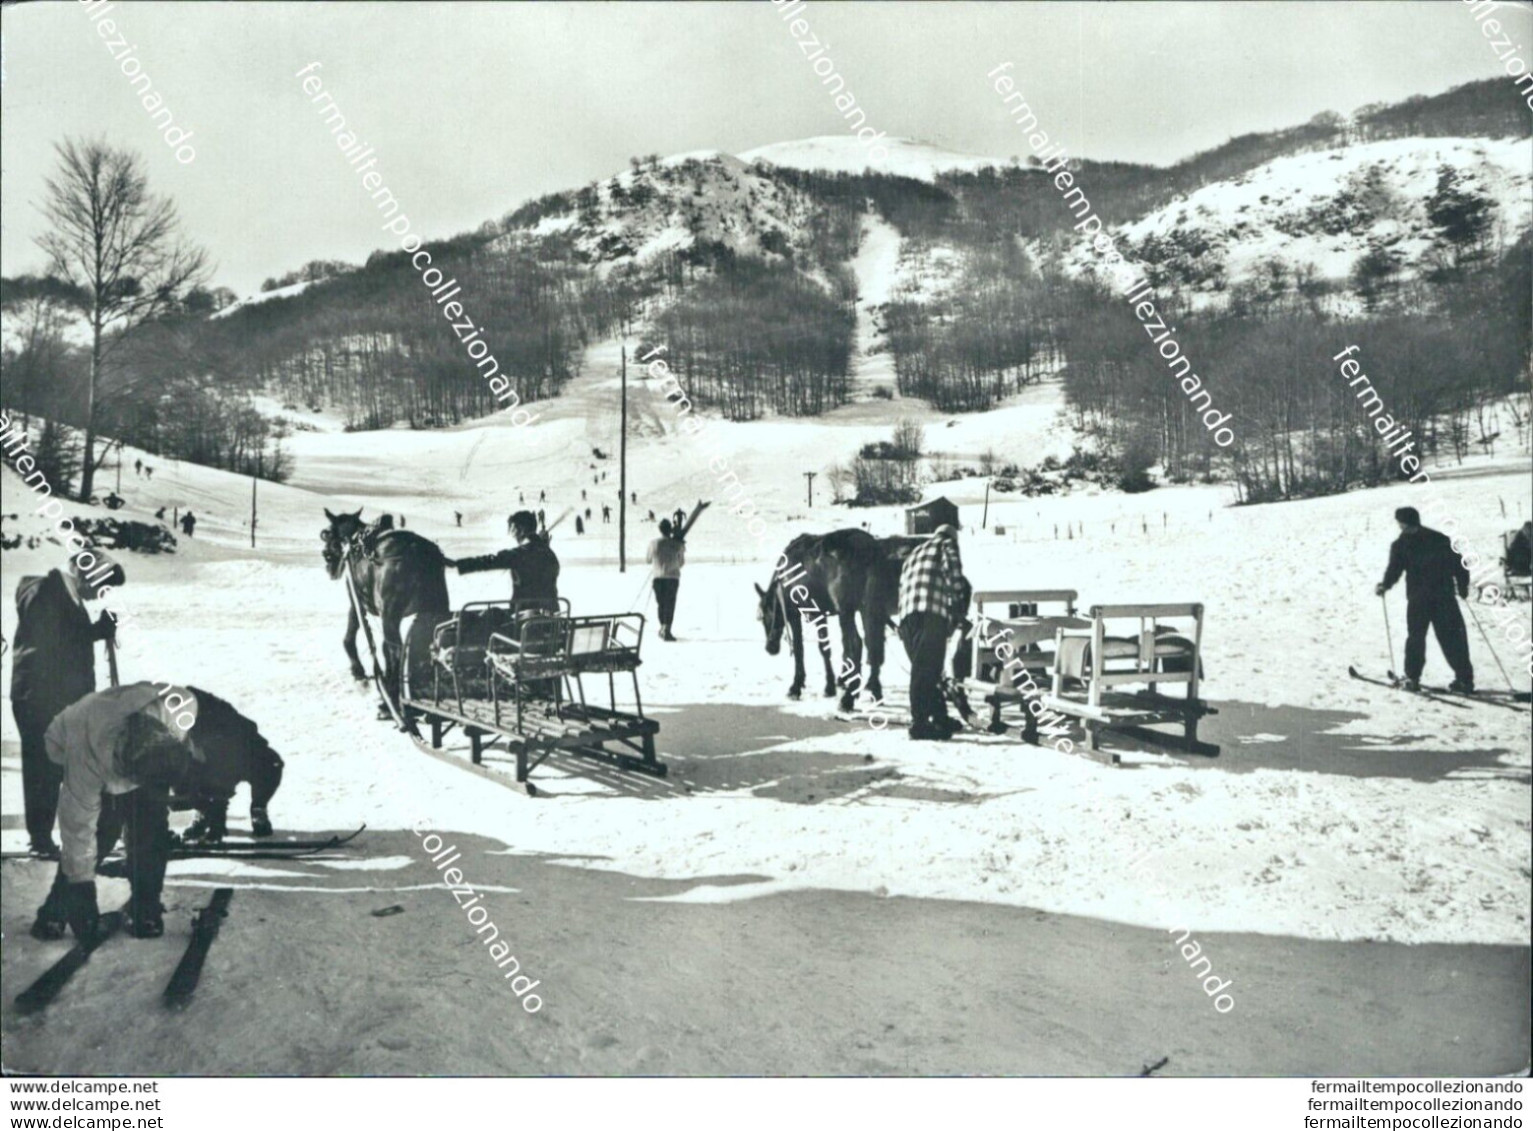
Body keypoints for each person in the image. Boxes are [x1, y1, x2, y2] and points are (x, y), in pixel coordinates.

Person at [31, 683, 198, 940]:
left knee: (151, 827)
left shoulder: (178, 710)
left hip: (141, 749)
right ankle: (56, 910)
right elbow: (77, 831)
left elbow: (178, 702)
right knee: (101, 832)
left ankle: (145, 908)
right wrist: (81, 891)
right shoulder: (86, 757)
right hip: (77, 740)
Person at [10, 553, 125, 858]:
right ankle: (40, 839)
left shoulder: (68, 597)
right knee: (43, 769)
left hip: (60, 701)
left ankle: (59, 836)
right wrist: (93, 631)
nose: (101, 594)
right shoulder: (44, 590)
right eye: (101, 586)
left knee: (63, 767)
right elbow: (48, 642)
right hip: (39, 699)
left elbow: (66, 640)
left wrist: (96, 632)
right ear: (84, 575)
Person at [1376, 506, 1473, 692]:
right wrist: (1462, 586)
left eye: (1400, 522)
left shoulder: (1401, 544)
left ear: (1403, 523)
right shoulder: (1439, 538)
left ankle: (1413, 678)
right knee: (1452, 637)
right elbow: (1460, 564)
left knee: (1417, 638)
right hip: (1443, 596)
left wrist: (1385, 585)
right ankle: (1464, 680)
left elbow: (1395, 569)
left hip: (1419, 598)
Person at [174, 686, 284, 844]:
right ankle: (203, 812)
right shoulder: (176, 718)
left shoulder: (221, 720)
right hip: (207, 760)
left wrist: (217, 826)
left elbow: (222, 778)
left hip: (241, 757)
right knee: (182, 775)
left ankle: (258, 809)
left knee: (271, 765)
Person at [896, 524, 969, 740]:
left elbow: (902, 587)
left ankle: (939, 717)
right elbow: (954, 577)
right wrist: (958, 608)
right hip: (931, 614)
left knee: (928, 670)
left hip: (907, 618)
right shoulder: (946, 545)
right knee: (924, 671)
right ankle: (919, 724)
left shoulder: (915, 553)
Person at [452, 510, 560, 609]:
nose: (512, 535)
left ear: (521, 530)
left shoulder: (521, 553)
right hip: (549, 614)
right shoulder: (548, 553)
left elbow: (492, 560)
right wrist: (540, 543)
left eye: (513, 529)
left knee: (486, 615)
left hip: (525, 615)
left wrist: (458, 564)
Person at [647, 520, 685, 641]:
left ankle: (662, 627)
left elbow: (648, 559)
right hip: (672, 577)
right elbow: (681, 562)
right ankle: (666, 628)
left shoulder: (653, 543)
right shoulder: (677, 544)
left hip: (658, 577)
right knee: (670, 604)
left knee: (661, 604)